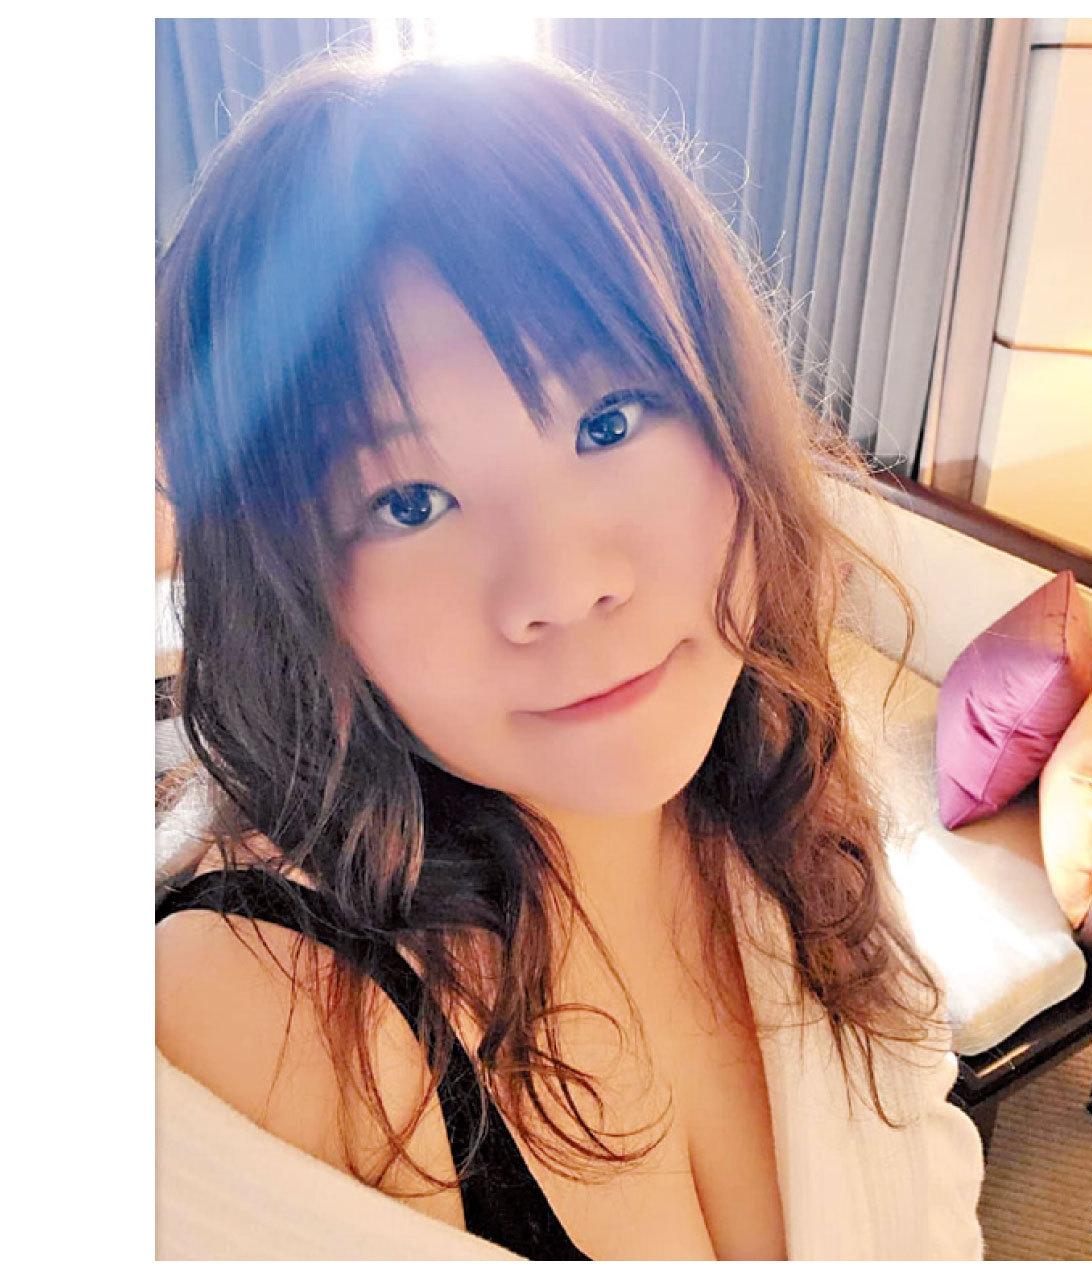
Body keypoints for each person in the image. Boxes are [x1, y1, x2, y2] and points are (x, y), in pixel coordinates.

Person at [154, 50, 985, 1262]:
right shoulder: (258, 1016)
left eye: (609, 419)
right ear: (292, 596)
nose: (562, 584)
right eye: (406, 501)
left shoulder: (790, 807)